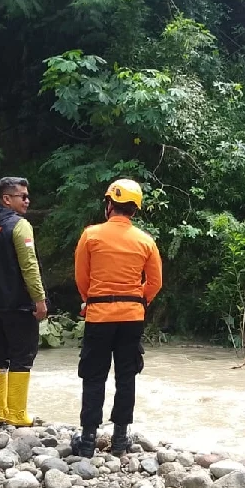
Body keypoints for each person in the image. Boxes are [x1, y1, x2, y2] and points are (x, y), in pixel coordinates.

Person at [71, 179, 163, 457]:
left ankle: (88, 438)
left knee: (94, 374)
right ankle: (120, 438)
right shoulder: (146, 241)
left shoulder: (91, 235)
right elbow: (155, 282)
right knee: (126, 375)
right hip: (131, 318)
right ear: (134, 210)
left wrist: (92, 299)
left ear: (109, 205)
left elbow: (81, 277)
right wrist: (138, 301)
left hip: (99, 316)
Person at [0, 177, 48, 426]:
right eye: (22, 196)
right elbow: (29, 265)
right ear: (7, 199)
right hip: (17, 303)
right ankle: (17, 413)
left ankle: (0, 412)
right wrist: (39, 298)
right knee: (22, 355)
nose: (27, 200)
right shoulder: (19, 225)